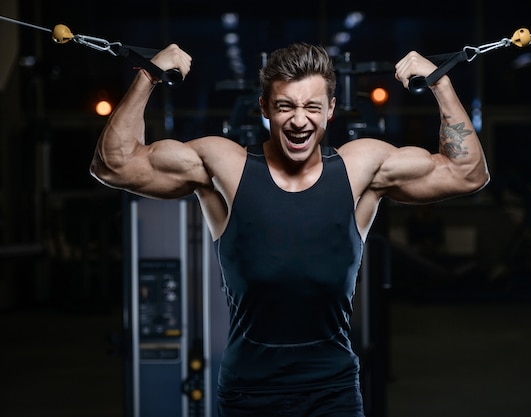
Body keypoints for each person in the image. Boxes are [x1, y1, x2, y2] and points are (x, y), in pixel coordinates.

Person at [90, 42, 490, 417]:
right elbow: (114, 165)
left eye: (312, 107)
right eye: (285, 106)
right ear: (264, 106)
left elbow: (467, 173)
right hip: (248, 393)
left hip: (333, 392)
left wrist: (439, 80)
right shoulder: (224, 165)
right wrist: (149, 74)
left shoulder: (360, 168)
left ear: (331, 109)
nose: (299, 120)